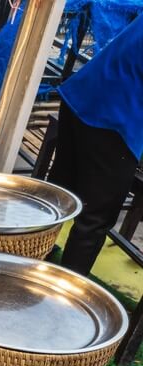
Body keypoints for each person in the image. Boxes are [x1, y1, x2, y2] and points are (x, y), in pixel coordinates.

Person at [48, 15, 143, 276]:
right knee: (92, 222)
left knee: (57, 198)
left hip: (82, 96)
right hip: (113, 120)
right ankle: (63, 302)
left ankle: (28, 260)